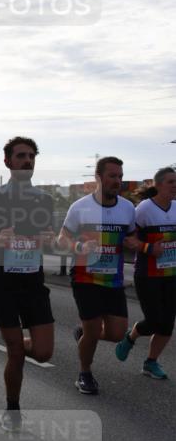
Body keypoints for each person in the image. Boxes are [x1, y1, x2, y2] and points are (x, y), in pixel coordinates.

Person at [0, 138, 56, 430]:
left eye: (31, 156)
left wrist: (50, 241)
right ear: (7, 161)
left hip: (33, 283)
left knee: (43, 353)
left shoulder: (44, 200)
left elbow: (51, 239)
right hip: (2, 284)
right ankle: (12, 409)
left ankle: (15, 343)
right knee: (16, 352)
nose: (27, 161)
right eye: (21, 156)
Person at [58, 156, 141, 395]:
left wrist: (133, 243)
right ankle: (85, 373)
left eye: (120, 177)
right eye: (112, 176)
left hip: (113, 280)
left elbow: (132, 236)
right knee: (94, 331)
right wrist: (78, 248)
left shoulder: (127, 208)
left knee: (116, 334)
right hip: (85, 277)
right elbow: (62, 238)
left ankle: (83, 334)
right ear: (98, 177)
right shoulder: (80, 207)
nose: (118, 181)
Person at [115, 166, 176, 379]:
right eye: (171, 182)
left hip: (172, 275)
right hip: (148, 274)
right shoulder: (143, 209)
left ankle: (151, 362)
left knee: (167, 325)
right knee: (154, 321)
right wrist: (149, 248)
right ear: (158, 185)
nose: (175, 186)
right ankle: (130, 338)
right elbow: (127, 239)